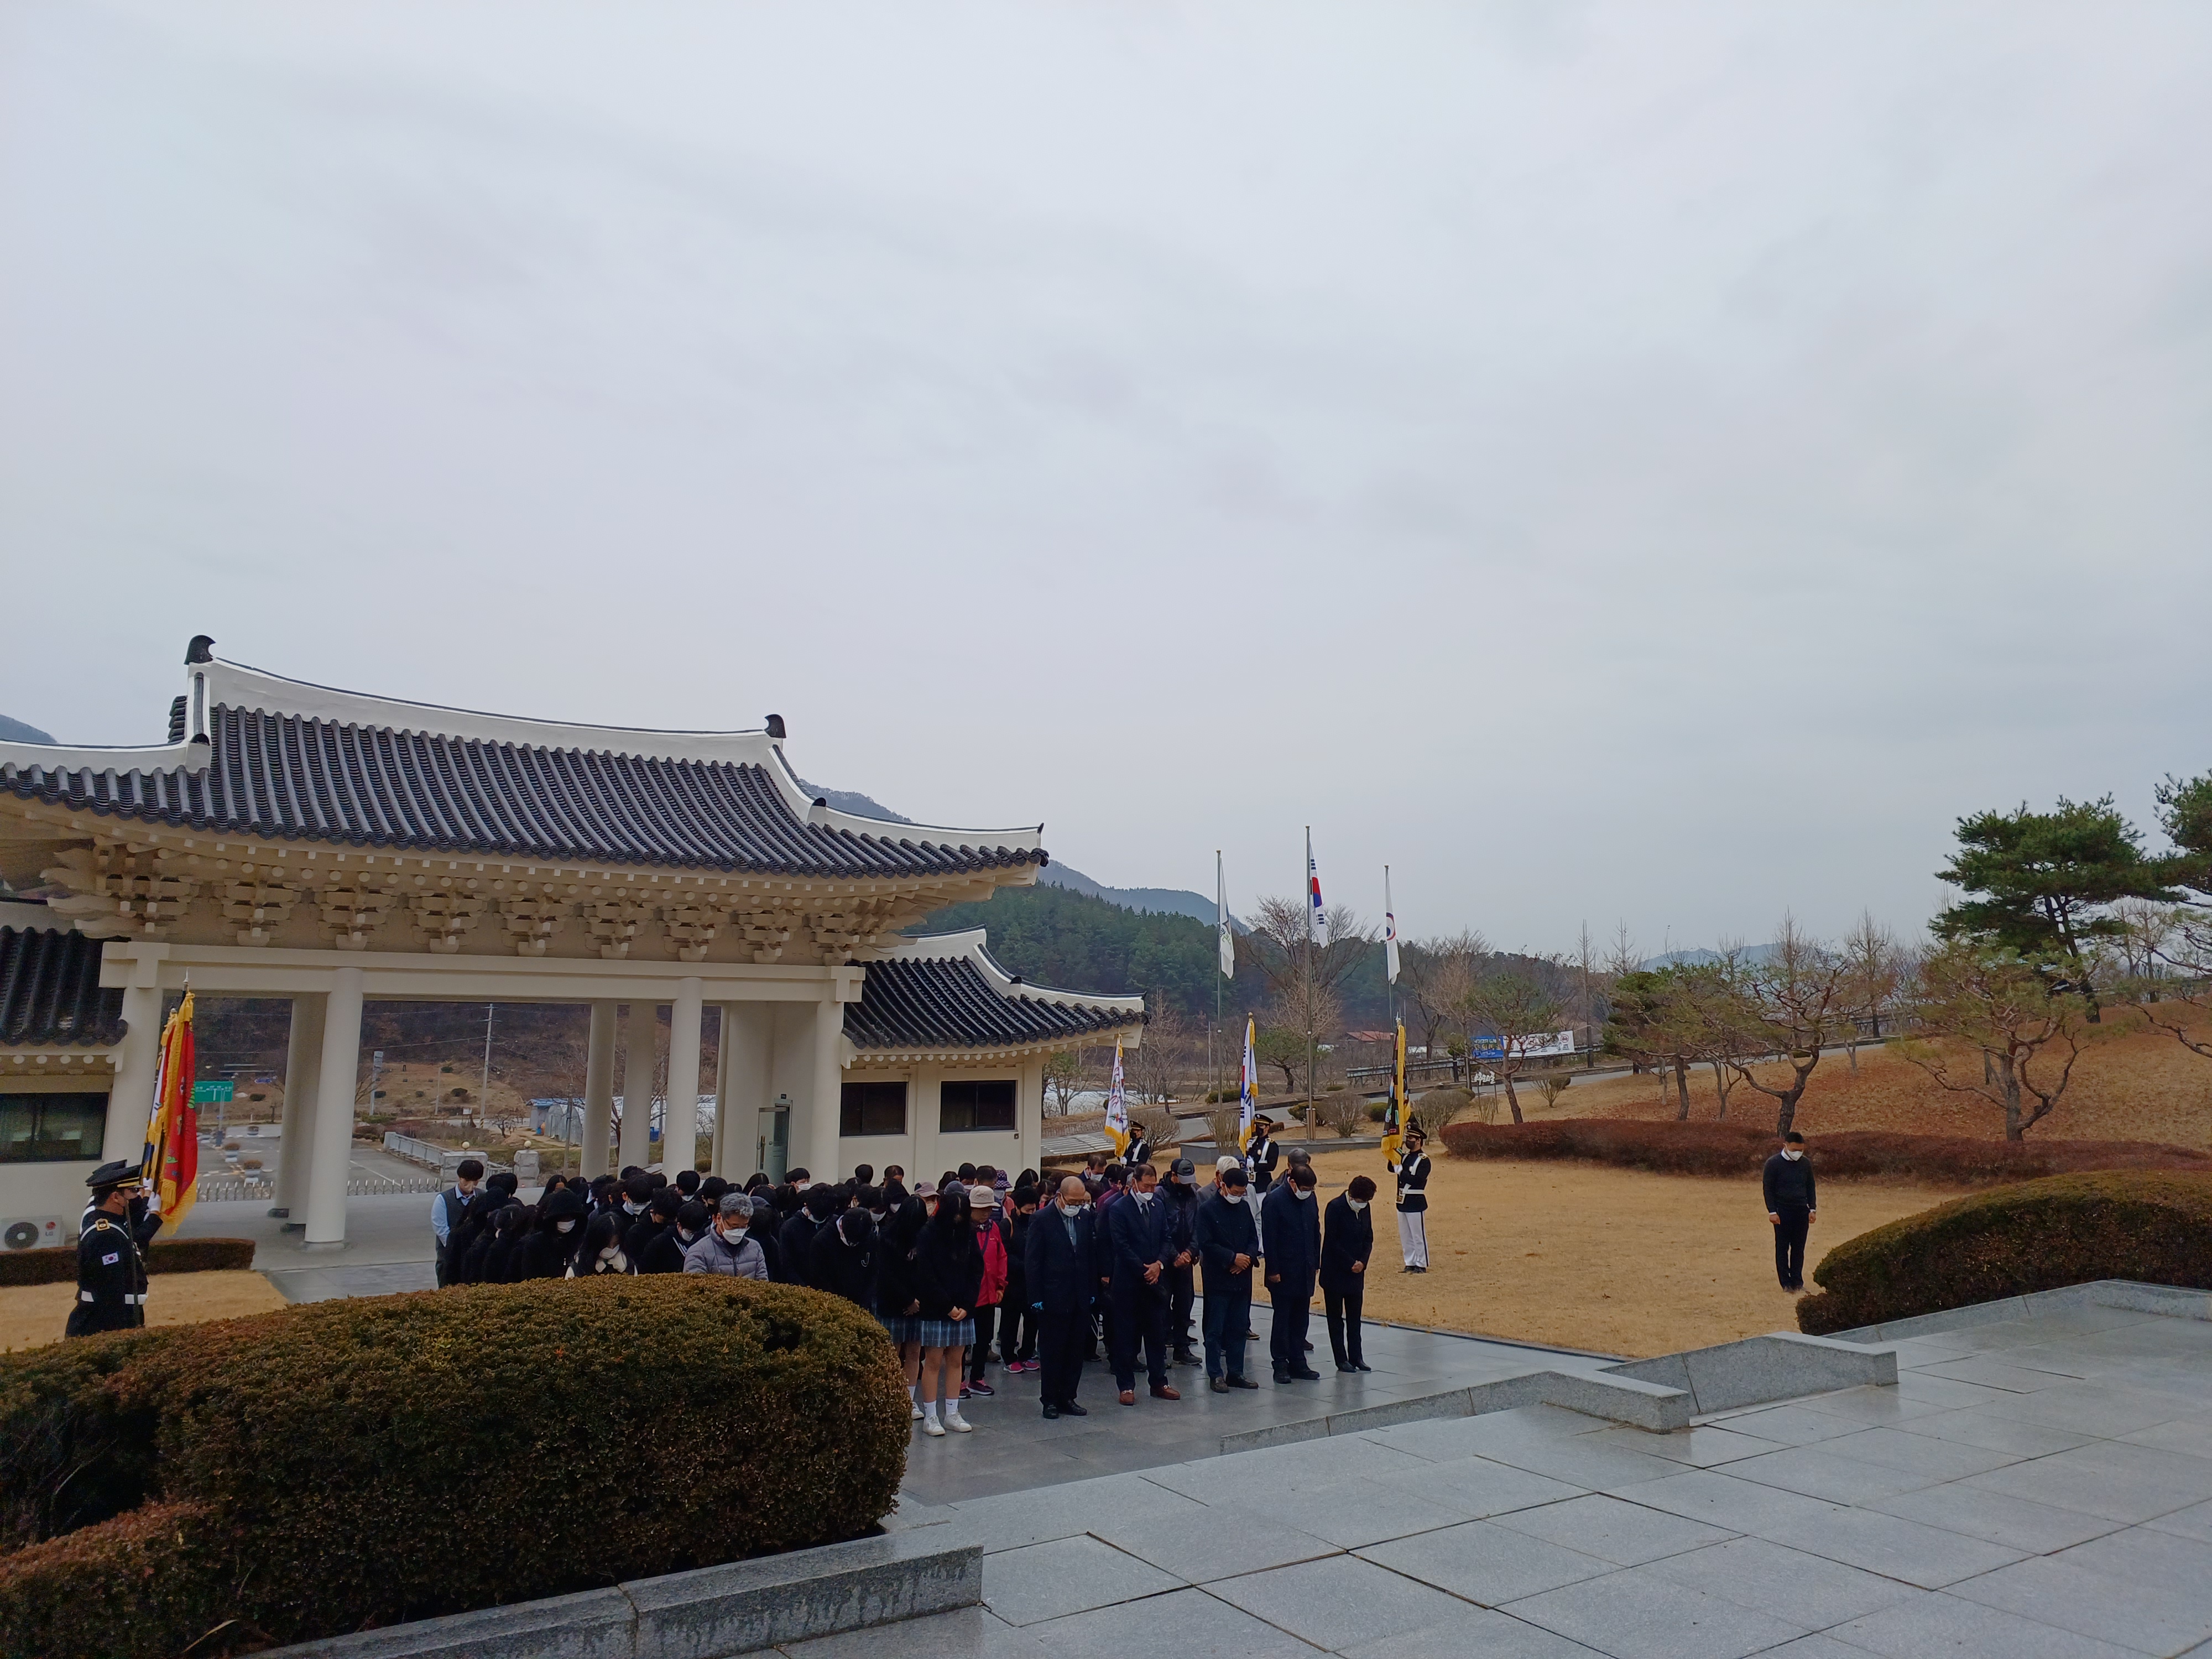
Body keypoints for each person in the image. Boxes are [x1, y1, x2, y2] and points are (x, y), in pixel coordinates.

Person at [1105, 1161, 1181, 1405]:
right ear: (1135, 1183)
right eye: (1146, 1185)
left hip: (1156, 1282)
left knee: (1157, 1335)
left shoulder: (1158, 1205)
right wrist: (1143, 1269)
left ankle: (1159, 1382)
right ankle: (1126, 1386)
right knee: (1126, 1337)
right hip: (1129, 1283)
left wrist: (1159, 1264)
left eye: (1153, 1185)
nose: (1150, 1189)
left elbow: (1167, 1238)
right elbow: (1121, 1246)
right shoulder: (1118, 1209)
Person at [1024, 1175, 1098, 1420]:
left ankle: (1069, 1396)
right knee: (1052, 1351)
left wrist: (1092, 1292)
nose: (1077, 1206)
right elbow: (1033, 1262)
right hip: (1052, 1296)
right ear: (1060, 1197)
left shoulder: (1085, 1218)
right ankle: (1050, 1400)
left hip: (1079, 1297)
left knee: (1075, 1351)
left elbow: (1089, 1258)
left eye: (1081, 1202)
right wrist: (1036, 1297)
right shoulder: (1041, 1219)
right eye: (1073, 1201)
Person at [911, 1183, 982, 1436]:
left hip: (963, 1308)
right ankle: (931, 1416)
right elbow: (926, 1275)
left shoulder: (968, 1233)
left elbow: (977, 1270)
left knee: (956, 1360)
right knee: (932, 1362)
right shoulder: (928, 1234)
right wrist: (948, 1306)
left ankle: (952, 1412)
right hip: (936, 1307)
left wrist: (966, 1304)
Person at [1193, 1165, 1260, 1391]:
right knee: (1215, 1329)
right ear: (1223, 1186)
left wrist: (1247, 1258)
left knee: (1239, 1327)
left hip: (1242, 1279)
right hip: (1218, 1279)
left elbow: (1253, 1237)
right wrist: (1232, 1258)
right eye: (1236, 1192)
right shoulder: (1207, 1210)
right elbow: (1206, 1243)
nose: (1239, 1196)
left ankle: (1236, 1372)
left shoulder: (1243, 1208)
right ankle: (1216, 1374)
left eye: (1242, 1193)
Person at [67, 1161, 153, 1338]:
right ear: (116, 1197)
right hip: (102, 1322)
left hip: (115, 1316)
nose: (137, 1197)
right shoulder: (106, 1235)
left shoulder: (112, 1223)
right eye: (133, 1191)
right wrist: (120, 1333)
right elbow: (109, 1291)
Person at [1261, 1164, 1322, 1383]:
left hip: (1305, 1269)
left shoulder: (1310, 1199)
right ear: (1292, 1181)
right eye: (1305, 1187)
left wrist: (1316, 1260)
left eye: (1311, 1189)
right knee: (1283, 1319)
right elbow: (1270, 1238)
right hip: (1284, 1272)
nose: (1308, 1192)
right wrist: (1273, 1270)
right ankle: (1280, 1364)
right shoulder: (1274, 1201)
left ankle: (1299, 1362)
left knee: (1301, 1319)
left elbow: (1315, 1230)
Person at [1321, 1175, 1376, 1372]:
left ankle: (1357, 1357)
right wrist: (1350, 1263)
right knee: (1336, 1319)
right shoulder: (1335, 1207)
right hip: (1336, 1272)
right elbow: (1332, 1242)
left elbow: (1368, 1237)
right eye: (1362, 1201)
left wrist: (1363, 1262)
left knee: (1355, 1318)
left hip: (1356, 1273)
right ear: (1352, 1195)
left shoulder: (1365, 1208)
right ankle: (1341, 1358)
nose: (1364, 1205)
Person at [964, 1191, 1008, 1399]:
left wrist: (1001, 1286)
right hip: (967, 1295)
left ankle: (977, 1378)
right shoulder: (962, 1229)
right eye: (982, 1209)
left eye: (989, 1209)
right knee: (962, 1342)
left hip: (990, 1293)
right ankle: (959, 1381)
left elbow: (1001, 1256)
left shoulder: (994, 1228)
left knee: (983, 1339)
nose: (986, 1213)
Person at [1764, 1130, 1818, 1292]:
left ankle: (1797, 1282)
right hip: (1782, 1211)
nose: (1798, 1153)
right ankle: (1786, 1283)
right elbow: (1768, 1189)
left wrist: (1813, 1208)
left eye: (1801, 1150)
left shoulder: (1805, 1164)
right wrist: (1772, 1211)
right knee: (1782, 1247)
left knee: (1798, 1248)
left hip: (1801, 1210)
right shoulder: (1773, 1164)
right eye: (1794, 1150)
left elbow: (1810, 1186)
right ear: (1785, 1146)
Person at [1161, 1159, 1201, 1364]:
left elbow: (1197, 1226)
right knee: (1161, 1306)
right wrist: (1174, 1256)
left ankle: (1182, 1347)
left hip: (1186, 1260)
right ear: (1173, 1176)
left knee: (1184, 1304)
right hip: (1166, 1261)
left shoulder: (1193, 1195)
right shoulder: (1161, 1195)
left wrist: (1190, 1252)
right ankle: (1159, 1351)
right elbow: (1161, 1230)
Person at [998, 1183, 1038, 1373]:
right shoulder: (1008, 1225)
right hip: (1013, 1283)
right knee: (1010, 1321)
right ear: (1018, 1208)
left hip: (1032, 1284)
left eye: (1034, 1208)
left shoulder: (1037, 1223)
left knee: (1032, 1321)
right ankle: (1009, 1357)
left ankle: (1027, 1354)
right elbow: (1004, 1253)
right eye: (1028, 1209)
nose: (1032, 1212)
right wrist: (1026, 1266)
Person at [684, 1193, 770, 1276]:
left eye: (744, 1226)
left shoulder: (755, 1248)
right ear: (718, 1219)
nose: (739, 1231)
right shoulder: (698, 1252)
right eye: (734, 1226)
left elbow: (763, 1284)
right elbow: (695, 1289)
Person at [432, 1158, 484, 1287]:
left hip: (475, 1259)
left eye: (475, 1181)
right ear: (460, 1178)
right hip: (449, 1259)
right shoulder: (443, 1199)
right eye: (467, 1181)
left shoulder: (483, 1197)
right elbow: (441, 1229)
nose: (471, 1185)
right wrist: (457, 1247)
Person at [809, 1206, 877, 1307]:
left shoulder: (867, 1236)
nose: (854, 1245)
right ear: (842, 1227)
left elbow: (873, 1271)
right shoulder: (822, 1241)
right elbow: (819, 1279)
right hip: (834, 1304)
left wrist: (864, 1302)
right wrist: (839, 1305)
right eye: (852, 1242)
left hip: (862, 1304)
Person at [518, 1188, 586, 1279]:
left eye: (570, 1218)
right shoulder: (535, 1244)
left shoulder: (582, 1242)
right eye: (562, 1218)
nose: (566, 1222)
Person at [1392, 1126, 1432, 1272]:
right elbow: (1392, 1167)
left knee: (1417, 1235)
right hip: (1402, 1201)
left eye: (1411, 1139)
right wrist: (1394, 1151)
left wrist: (1401, 1172)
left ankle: (1421, 1264)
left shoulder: (1424, 1161)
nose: (1408, 1141)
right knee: (1406, 1236)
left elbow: (1417, 1180)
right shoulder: (1405, 1157)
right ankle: (1410, 1262)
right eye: (1407, 1138)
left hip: (1415, 1201)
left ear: (1418, 1141)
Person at [640, 1198, 708, 1273]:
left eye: (695, 1233)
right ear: (679, 1225)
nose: (692, 1235)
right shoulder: (659, 1243)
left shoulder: (703, 1239)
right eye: (690, 1232)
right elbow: (645, 1270)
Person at [571, 1211, 634, 1275]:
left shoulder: (630, 1267)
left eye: (616, 1244)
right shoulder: (577, 1269)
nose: (611, 1248)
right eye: (606, 1244)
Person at [1246, 1117, 1282, 1194]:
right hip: (1249, 1182)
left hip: (1263, 1183)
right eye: (1257, 1125)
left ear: (1267, 1127)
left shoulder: (1272, 1145)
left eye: (1261, 1125)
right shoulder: (1252, 1142)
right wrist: (1247, 1151)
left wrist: (1255, 1165)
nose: (1258, 1128)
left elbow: (1271, 1166)